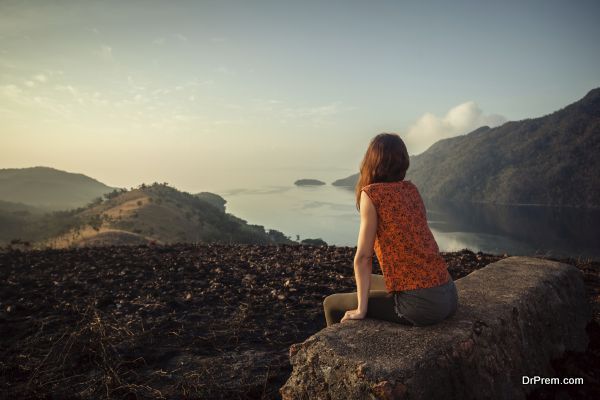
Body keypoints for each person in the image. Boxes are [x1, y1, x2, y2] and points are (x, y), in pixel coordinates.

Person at [323, 133, 458, 327]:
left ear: (371, 161)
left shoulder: (371, 194)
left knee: (332, 304)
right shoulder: (410, 189)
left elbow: (363, 258)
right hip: (449, 293)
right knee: (365, 282)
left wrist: (362, 309)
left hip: (423, 305)